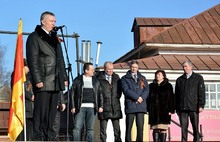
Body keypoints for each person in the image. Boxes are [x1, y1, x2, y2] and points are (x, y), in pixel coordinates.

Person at [26, 11, 68, 141]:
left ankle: (50, 138)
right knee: (41, 113)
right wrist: (37, 79)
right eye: (51, 21)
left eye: (55, 21)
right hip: (43, 81)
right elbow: (32, 60)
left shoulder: (55, 38)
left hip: (55, 81)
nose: (54, 24)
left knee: (51, 114)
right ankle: (39, 138)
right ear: (43, 22)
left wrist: (64, 77)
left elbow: (60, 59)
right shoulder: (34, 37)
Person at [70, 62, 103, 142]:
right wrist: (73, 106)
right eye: (92, 70)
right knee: (77, 128)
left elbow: (100, 93)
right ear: (86, 70)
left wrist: (101, 106)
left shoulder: (96, 81)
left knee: (90, 129)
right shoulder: (77, 80)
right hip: (80, 107)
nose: (93, 71)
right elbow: (72, 94)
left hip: (92, 108)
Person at [175, 60, 205, 142]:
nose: (184, 68)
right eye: (183, 67)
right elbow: (177, 95)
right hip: (182, 108)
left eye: (186, 66)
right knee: (183, 128)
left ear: (191, 67)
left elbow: (201, 92)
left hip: (194, 107)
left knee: (195, 127)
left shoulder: (198, 78)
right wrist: (176, 108)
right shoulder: (179, 80)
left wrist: (201, 105)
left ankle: (196, 140)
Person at [121, 60, 149, 142]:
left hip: (141, 106)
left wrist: (141, 98)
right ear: (130, 67)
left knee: (140, 127)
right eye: (132, 67)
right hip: (131, 105)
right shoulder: (124, 78)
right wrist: (137, 98)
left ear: (138, 68)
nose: (134, 69)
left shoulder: (142, 78)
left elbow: (146, 90)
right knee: (129, 127)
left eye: (136, 67)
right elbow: (126, 90)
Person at [96, 61, 122, 142]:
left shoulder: (116, 77)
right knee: (103, 130)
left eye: (112, 69)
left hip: (115, 106)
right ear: (105, 69)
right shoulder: (99, 78)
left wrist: (115, 98)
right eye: (109, 69)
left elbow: (119, 91)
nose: (111, 71)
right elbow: (97, 92)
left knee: (117, 130)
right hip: (104, 106)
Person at [148, 70, 175, 142]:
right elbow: (148, 99)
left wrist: (171, 109)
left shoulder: (168, 85)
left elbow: (171, 98)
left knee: (163, 128)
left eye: (159, 74)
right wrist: (148, 109)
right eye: (156, 74)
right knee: (155, 128)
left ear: (163, 76)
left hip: (164, 111)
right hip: (154, 111)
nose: (157, 76)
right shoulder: (151, 86)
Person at [12, 58, 35, 141]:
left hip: (30, 110)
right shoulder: (16, 76)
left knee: (29, 133)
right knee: (22, 134)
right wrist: (31, 95)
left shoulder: (30, 76)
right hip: (22, 109)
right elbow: (20, 90)